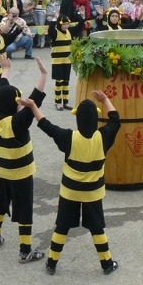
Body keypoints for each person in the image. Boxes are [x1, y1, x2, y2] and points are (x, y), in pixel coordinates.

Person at [23, 90, 121, 275]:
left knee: (62, 226)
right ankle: (107, 263)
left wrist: (33, 106)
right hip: (93, 193)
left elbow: (46, 125)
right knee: (97, 227)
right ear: (96, 118)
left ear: (77, 119)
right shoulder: (104, 136)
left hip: (70, 191)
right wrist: (106, 100)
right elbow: (116, 120)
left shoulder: (68, 137)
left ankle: (52, 262)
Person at [0, 56, 47, 262]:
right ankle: (25, 250)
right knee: (24, 209)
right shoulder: (18, 122)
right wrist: (44, 75)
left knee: (1, 201)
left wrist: (6, 70)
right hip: (21, 172)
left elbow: (1, 91)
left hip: (3, 170)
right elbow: (35, 99)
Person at [50, 16, 73, 110]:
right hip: (57, 62)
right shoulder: (55, 32)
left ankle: (66, 102)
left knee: (66, 81)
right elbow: (50, 29)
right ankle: (58, 102)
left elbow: (79, 26)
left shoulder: (69, 32)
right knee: (59, 81)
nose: (65, 26)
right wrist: (54, 19)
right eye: (63, 24)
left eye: (67, 24)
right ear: (59, 24)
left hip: (67, 60)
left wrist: (82, 16)